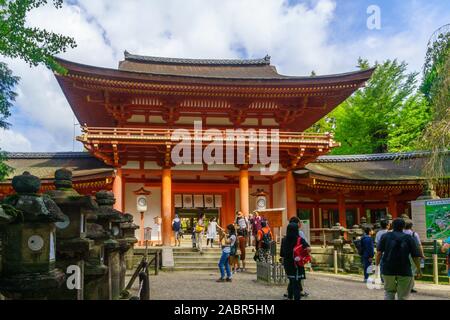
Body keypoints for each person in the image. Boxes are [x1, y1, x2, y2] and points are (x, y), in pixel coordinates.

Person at [376, 218, 422, 300]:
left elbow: (379, 253)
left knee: (389, 292)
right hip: (404, 269)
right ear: (403, 226)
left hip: (387, 268)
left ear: (391, 226)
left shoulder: (385, 236)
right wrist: (418, 269)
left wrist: (376, 266)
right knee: (403, 296)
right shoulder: (409, 238)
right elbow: (415, 256)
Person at [280, 222, 311, 300]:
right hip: (297, 264)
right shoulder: (300, 240)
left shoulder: (284, 240)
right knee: (296, 284)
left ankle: (290, 297)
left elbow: (282, 254)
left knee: (292, 280)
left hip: (288, 264)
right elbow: (308, 249)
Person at [403, 219, 425, 293]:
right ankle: (410, 287)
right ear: (411, 226)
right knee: (411, 270)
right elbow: (419, 245)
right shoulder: (414, 234)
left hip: (401, 254)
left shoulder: (400, 233)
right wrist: (422, 254)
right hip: (411, 254)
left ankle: (403, 286)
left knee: (403, 269)